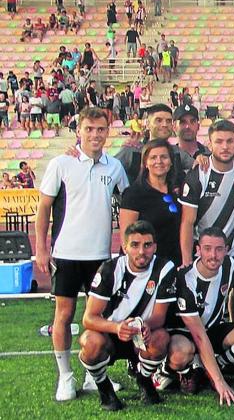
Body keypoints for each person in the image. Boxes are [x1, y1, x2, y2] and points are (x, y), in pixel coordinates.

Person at [34, 108, 129, 401]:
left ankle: (93, 374)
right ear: (79, 130)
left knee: (97, 316)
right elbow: (44, 208)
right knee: (64, 315)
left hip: (100, 256)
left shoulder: (115, 167)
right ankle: (65, 377)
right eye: (89, 129)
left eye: (101, 129)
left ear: (107, 132)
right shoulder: (62, 163)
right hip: (66, 253)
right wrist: (41, 247)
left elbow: (128, 202)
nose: (95, 135)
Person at [78, 221, 177, 411]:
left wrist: (146, 325)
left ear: (155, 247)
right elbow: (89, 318)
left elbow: (159, 317)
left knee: (161, 338)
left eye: (147, 245)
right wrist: (117, 327)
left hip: (141, 335)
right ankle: (103, 387)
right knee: (90, 341)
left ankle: (144, 380)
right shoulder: (109, 269)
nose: (142, 251)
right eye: (135, 245)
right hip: (110, 334)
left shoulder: (165, 269)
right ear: (125, 247)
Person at [163, 228, 234, 404]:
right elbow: (199, 336)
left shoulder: (230, 266)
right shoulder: (185, 279)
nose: (213, 255)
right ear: (198, 250)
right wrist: (220, 383)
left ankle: (215, 365)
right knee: (180, 353)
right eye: (207, 248)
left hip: (212, 329)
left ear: (227, 249)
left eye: (219, 249)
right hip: (186, 334)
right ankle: (185, 372)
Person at [178, 119, 234, 266]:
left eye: (230, 141)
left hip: (229, 256)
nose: (225, 147)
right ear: (209, 145)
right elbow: (187, 222)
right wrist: (186, 261)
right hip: (201, 256)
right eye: (219, 142)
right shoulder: (199, 174)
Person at [119, 138, 184, 265]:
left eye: (164, 157)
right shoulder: (134, 193)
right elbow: (126, 239)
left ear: (171, 162)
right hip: (146, 265)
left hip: (172, 263)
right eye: (153, 157)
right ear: (145, 163)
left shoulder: (176, 192)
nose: (159, 161)